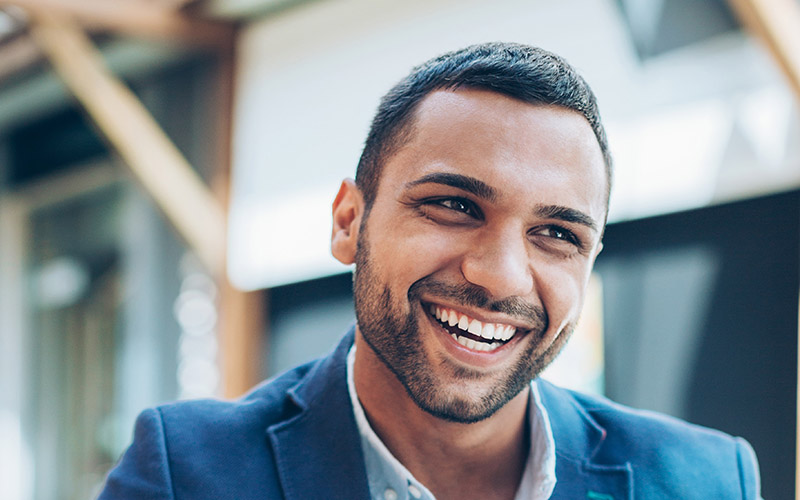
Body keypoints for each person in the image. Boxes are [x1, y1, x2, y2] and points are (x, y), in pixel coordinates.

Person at [98, 42, 761, 500]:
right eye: (453, 205)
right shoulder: (186, 473)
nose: (501, 277)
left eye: (556, 233)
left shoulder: (704, 479)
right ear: (348, 222)